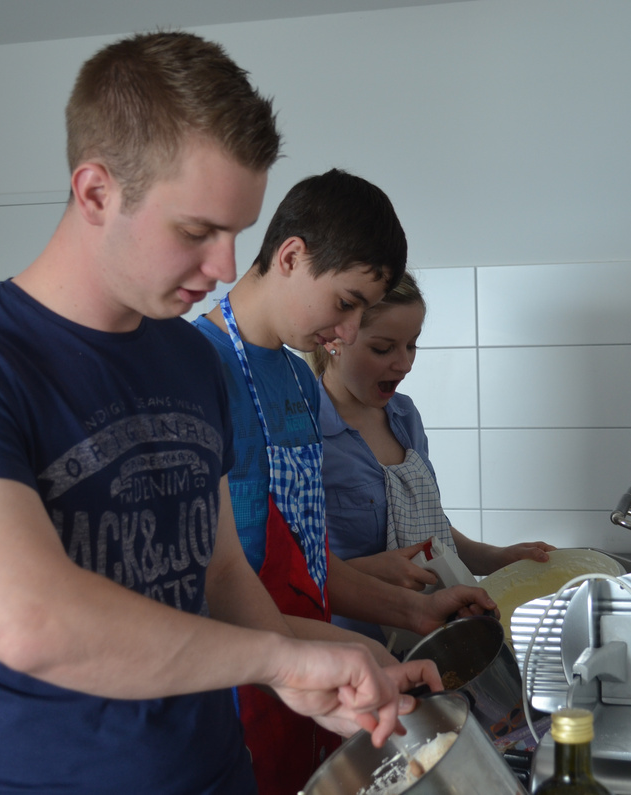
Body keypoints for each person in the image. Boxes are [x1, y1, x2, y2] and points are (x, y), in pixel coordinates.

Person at [0, 33, 440, 795]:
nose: (224, 266)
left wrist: (319, 668)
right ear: (95, 193)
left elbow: (221, 572)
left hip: (214, 770)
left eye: (235, 232)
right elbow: (29, 621)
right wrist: (281, 659)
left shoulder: (188, 359)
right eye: (197, 231)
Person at [193, 170, 497, 795]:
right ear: (291, 257)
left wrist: (415, 611)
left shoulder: (298, 383)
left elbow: (308, 565)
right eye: (346, 303)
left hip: (315, 684)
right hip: (235, 694)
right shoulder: (196, 371)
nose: (349, 332)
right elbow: (220, 580)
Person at [310, 271, 555, 641]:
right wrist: (368, 571)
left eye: (412, 345)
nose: (405, 364)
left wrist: (496, 558)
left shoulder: (404, 415)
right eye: (383, 348)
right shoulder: (304, 432)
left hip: (429, 637)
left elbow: (430, 531)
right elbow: (281, 568)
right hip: (350, 645)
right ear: (333, 340)